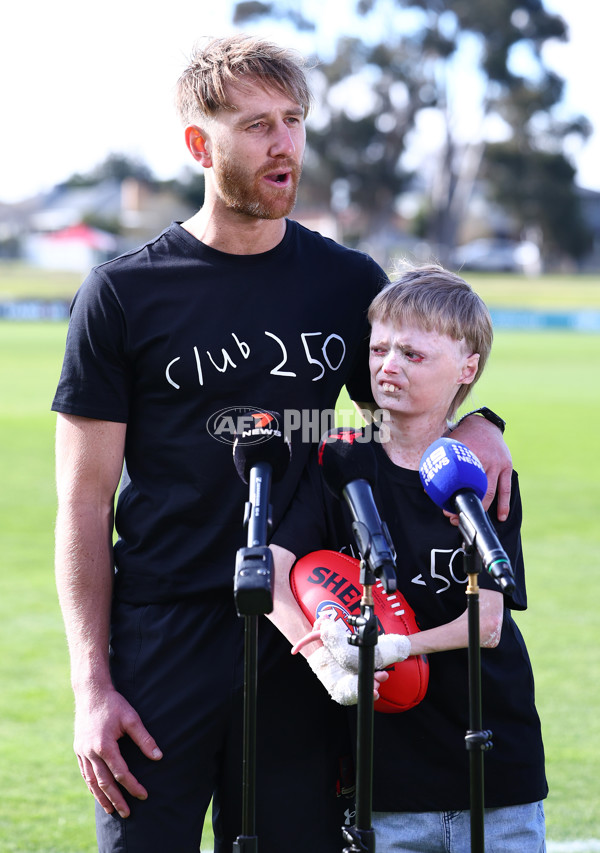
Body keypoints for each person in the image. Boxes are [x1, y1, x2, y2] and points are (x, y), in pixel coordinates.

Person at [52, 35, 512, 853]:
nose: (286, 143)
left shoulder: (345, 281)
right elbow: (83, 503)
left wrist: (482, 424)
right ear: (201, 144)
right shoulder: (122, 293)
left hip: (304, 636)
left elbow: (409, 417)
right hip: (163, 638)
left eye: (294, 120)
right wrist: (93, 684)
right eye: (258, 124)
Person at [269, 265, 548, 853]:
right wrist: (320, 651)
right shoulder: (340, 463)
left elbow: (489, 623)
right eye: (378, 349)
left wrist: (392, 647)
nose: (388, 365)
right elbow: (268, 567)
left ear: (467, 368)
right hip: (386, 784)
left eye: (413, 355)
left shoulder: (482, 476)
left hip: (494, 771)